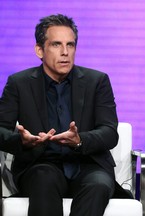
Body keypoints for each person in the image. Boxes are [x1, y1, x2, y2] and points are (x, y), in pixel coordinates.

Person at [0, 14, 130, 216]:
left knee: (98, 184)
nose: (65, 52)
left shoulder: (97, 81)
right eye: (56, 45)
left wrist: (80, 140)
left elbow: (109, 132)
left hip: (88, 165)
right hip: (41, 164)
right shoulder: (19, 83)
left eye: (70, 45)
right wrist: (22, 141)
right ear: (39, 50)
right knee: (43, 179)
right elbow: (1, 129)